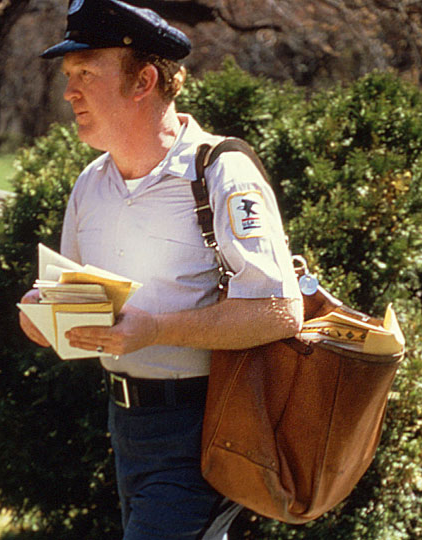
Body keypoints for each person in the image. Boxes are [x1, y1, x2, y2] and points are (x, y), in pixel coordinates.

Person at [19, 0, 303, 538]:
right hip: (125, 424)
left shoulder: (222, 173)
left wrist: (156, 330)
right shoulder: (90, 184)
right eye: (68, 76)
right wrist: (42, 317)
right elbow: (70, 302)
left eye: (85, 73)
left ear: (143, 80)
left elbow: (279, 311)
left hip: (206, 423)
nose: (69, 91)